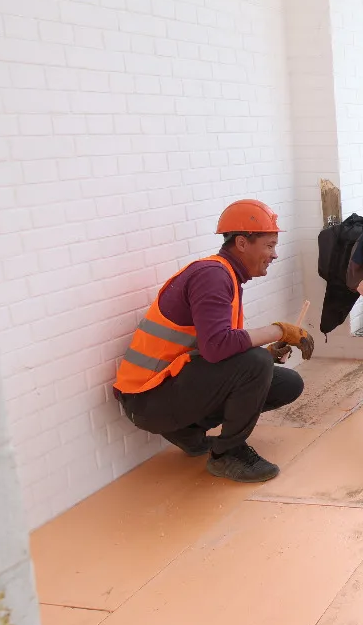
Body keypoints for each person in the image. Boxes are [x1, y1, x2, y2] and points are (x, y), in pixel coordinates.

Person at [113, 199, 314, 483]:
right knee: (255, 362)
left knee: (286, 381)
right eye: (269, 245)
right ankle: (227, 455)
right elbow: (216, 347)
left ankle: (187, 432)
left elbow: (215, 349)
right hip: (147, 399)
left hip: (162, 392)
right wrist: (279, 331)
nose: (274, 254)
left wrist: (268, 353)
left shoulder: (225, 276)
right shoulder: (212, 276)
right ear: (242, 243)